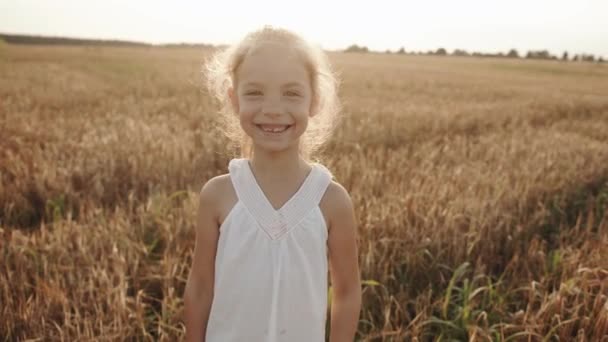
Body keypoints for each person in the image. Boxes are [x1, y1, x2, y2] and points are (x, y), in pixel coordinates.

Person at [183, 26, 361, 342]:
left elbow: (347, 292)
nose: (273, 109)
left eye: (291, 93)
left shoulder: (332, 201)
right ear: (233, 99)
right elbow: (199, 287)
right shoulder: (218, 195)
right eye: (254, 92)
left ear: (315, 101)